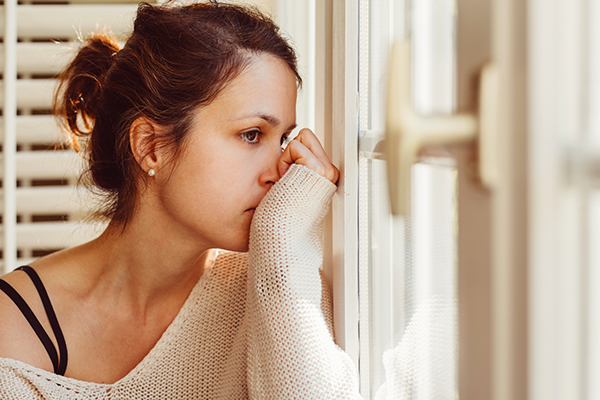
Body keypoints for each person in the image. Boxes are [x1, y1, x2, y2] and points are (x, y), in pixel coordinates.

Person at [0, 1, 361, 398]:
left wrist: (283, 243)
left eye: (283, 140)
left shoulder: (278, 285)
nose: (280, 170)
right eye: (252, 135)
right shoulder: (14, 330)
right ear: (151, 146)